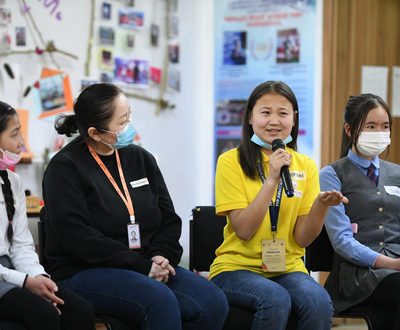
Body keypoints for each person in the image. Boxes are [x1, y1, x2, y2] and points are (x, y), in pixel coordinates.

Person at [41, 83, 229, 330]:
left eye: (129, 115)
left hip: (147, 262)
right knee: (159, 300)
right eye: (122, 121)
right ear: (95, 133)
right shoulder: (65, 168)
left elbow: (169, 219)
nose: (129, 126)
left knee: (213, 301)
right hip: (84, 270)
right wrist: (143, 266)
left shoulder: (141, 158)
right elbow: (78, 237)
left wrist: (162, 255)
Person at [209, 80, 347, 330]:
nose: (274, 121)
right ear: (250, 117)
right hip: (235, 268)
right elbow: (244, 230)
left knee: (319, 301)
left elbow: (303, 240)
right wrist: (272, 178)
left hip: (288, 267)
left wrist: (321, 207)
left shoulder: (305, 166)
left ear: (293, 120)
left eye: (283, 113)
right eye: (265, 112)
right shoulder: (230, 161)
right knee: (274, 298)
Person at [0, 101, 95, 330]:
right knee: (44, 314)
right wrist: (24, 282)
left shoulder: (13, 182)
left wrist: (39, 277)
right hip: (6, 276)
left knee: (81, 311)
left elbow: (21, 246)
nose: (21, 143)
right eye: (14, 134)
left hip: (10, 270)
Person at [320, 93, 400, 328]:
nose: (379, 133)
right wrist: (390, 263)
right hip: (357, 274)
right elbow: (342, 240)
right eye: (371, 126)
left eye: (385, 126)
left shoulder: (397, 172)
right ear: (349, 129)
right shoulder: (332, 174)